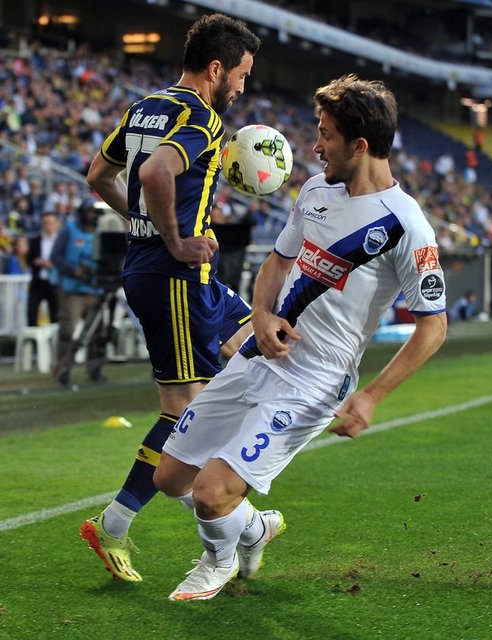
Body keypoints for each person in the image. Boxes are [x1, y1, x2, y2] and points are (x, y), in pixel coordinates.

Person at [152, 74, 448, 602]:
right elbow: (278, 260)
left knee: (211, 493)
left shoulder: (406, 226)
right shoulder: (314, 191)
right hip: (258, 355)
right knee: (170, 478)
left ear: (360, 146)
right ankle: (254, 528)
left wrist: (372, 395)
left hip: (313, 382)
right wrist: (261, 314)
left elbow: (434, 325)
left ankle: (218, 561)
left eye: (326, 135)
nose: (315, 146)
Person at [79, 13, 261, 582]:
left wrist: (147, 227)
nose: (243, 87)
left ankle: (244, 520)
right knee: (183, 412)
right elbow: (157, 172)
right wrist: (175, 239)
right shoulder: (202, 117)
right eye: (242, 75)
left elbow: (99, 174)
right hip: (173, 276)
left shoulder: (146, 107)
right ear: (217, 68)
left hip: (174, 274)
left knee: (260, 344)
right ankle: (116, 524)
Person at [51, 197, 107, 386]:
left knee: (97, 330)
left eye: (95, 212)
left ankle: (95, 369)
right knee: (68, 330)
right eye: (90, 211)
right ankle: (63, 369)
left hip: (95, 287)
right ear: (83, 212)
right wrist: (73, 270)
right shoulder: (69, 229)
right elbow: (55, 256)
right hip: (72, 288)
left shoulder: (101, 231)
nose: (93, 215)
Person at [26, 211, 60, 325]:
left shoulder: (61, 241)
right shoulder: (36, 240)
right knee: (32, 312)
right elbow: (29, 259)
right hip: (38, 282)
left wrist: (53, 264)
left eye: (50, 223)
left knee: (55, 313)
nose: (48, 226)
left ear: (56, 224)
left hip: (55, 282)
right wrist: (37, 261)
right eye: (45, 223)